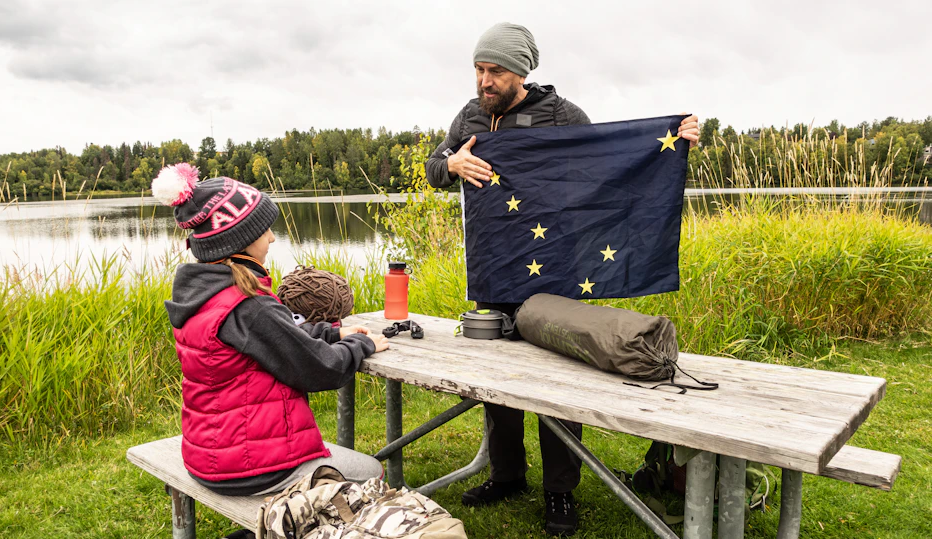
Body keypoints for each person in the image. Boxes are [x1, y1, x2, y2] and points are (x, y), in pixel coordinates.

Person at [425, 23, 700, 536]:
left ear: (521, 71)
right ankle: (507, 475)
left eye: (495, 71)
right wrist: (451, 161)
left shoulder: (562, 116)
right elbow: (434, 168)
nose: (484, 80)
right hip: (492, 265)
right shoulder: (469, 115)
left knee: (559, 381)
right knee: (497, 381)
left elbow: (607, 166)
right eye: (479, 69)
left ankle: (561, 492)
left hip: (557, 266)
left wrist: (672, 141)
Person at [153, 163, 390, 500]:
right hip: (252, 468)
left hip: (208, 455)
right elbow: (322, 369)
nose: (272, 237)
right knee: (372, 473)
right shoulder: (248, 305)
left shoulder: (202, 295)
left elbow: (279, 336)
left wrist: (332, 332)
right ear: (239, 241)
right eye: (264, 230)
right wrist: (360, 344)